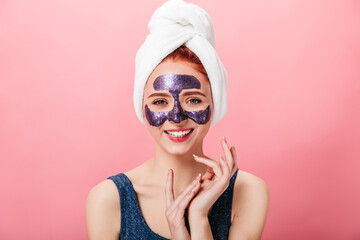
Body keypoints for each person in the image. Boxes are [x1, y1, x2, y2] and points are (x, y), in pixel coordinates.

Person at [86, 0, 269, 239]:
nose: (176, 117)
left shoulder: (248, 192)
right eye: (160, 102)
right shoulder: (108, 200)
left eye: (193, 100)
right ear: (143, 109)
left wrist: (198, 217)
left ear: (214, 104)